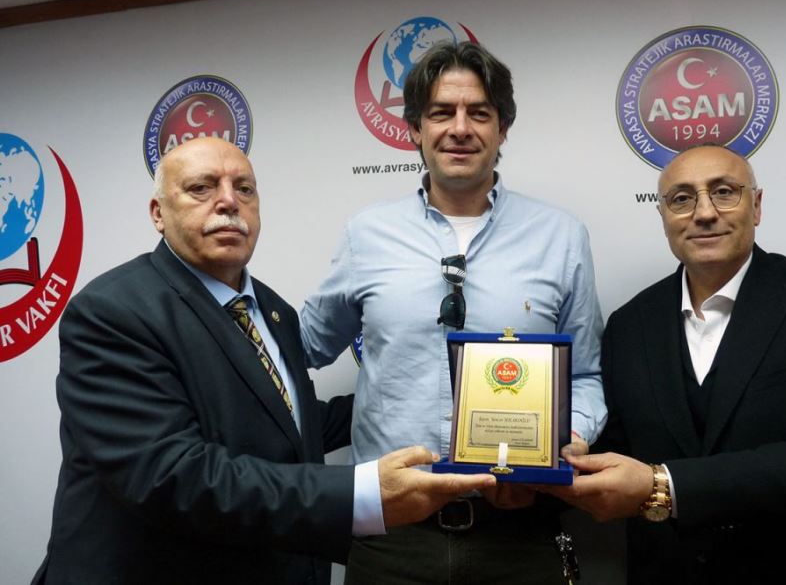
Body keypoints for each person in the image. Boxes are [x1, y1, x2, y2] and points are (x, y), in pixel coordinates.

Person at [33, 137, 495, 585]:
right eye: (201, 188)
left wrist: (414, 399)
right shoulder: (114, 312)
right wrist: (361, 496)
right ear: (158, 213)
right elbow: (173, 476)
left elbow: (284, 423)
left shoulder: (273, 312)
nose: (228, 202)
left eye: (244, 189)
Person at [301, 40, 606, 584]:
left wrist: (567, 444)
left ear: (503, 129)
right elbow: (301, 348)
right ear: (414, 129)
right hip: (391, 538)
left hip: (517, 535)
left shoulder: (560, 237)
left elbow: (585, 375)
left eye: (479, 113)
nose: (460, 128)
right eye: (441, 112)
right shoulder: (366, 234)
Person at [548, 144, 786, 584]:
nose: (704, 213)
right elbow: (618, 447)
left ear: (756, 206)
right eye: (682, 198)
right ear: (663, 216)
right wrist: (560, 454)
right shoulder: (629, 325)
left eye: (724, 192)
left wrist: (663, 485)